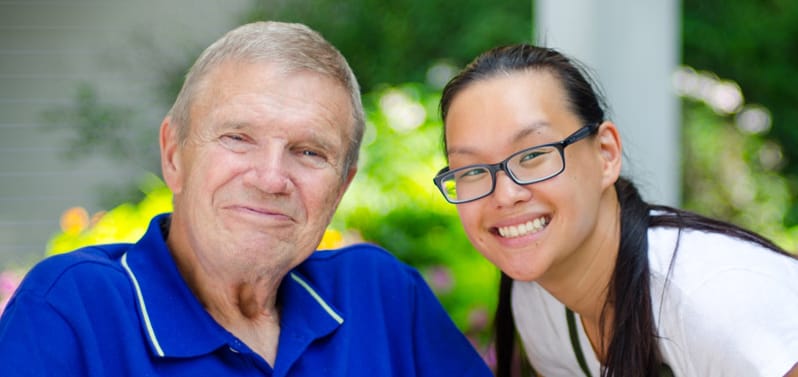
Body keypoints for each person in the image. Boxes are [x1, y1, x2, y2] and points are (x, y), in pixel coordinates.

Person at [0, 21, 492, 377]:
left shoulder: (382, 297)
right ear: (174, 155)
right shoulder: (73, 309)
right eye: (238, 138)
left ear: (341, 187)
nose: (271, 178)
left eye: (309, 151)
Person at [432, 44, 798, 377]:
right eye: (473, 170)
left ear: (606, 153)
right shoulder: (539, 303)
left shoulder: (713, 301)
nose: (505, 194)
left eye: (532, 155)